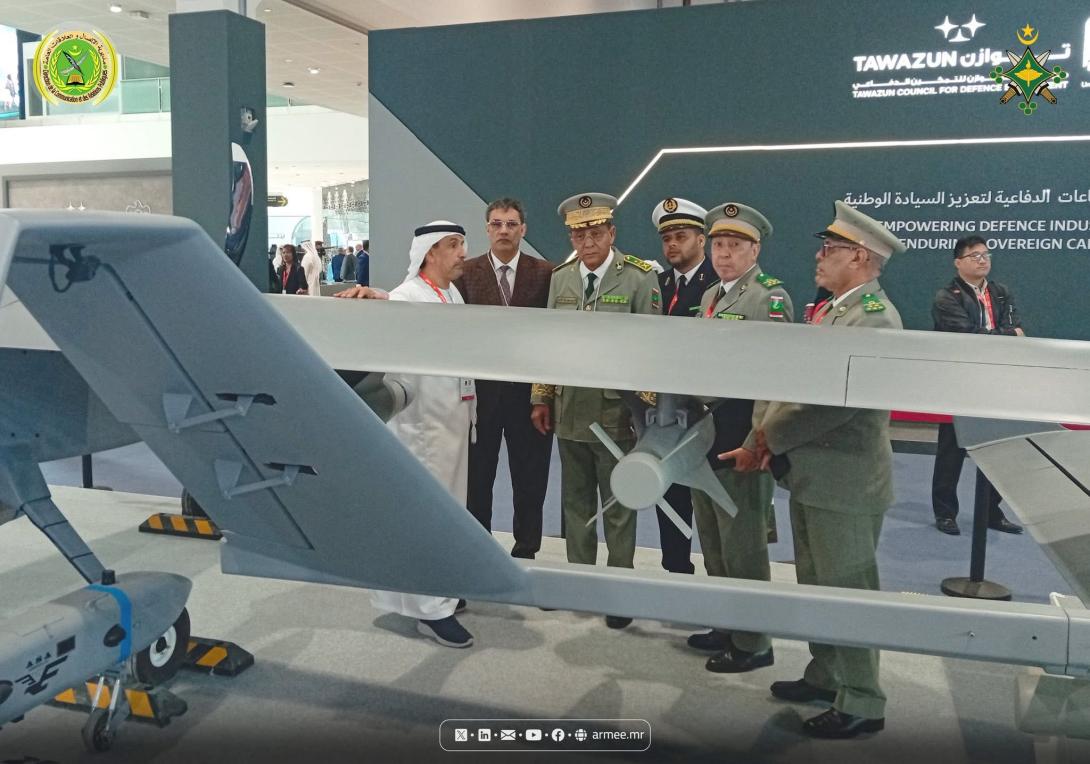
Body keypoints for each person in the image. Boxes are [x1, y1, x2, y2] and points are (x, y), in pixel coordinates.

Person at [726, 200, 903, 739]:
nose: (819, 257)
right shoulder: (833, 310)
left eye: (831, 249)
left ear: (861, 257)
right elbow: (790, 384)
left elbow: (834, 405)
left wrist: (768, 439)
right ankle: (828, 675)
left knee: (848, 589)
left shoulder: (873, 318)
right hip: (814, 475)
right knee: (818, 584)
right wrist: (761, 437)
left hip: (845, 481)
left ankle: (863, 699)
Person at [340, 221, 477, 648]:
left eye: (462, 244)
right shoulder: (407, 296)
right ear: (430, 252)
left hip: (453, 420)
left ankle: (442, 587)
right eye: (453, 245)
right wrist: (376, 298)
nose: (462, 253)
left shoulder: (451, 294)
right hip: (422, 427)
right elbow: (391, 311)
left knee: (449, 511)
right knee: (426, 515)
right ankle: (429, 608)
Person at [529, 192, 661, 629]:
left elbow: (651, 351)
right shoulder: (562, 278)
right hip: (570, 409)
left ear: (611, 233)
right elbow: (549, 343)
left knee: (619, 502)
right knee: (575, 501)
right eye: (578, 235)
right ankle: (580, 582)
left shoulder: (639, 278)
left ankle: (619, 590)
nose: (587, 242)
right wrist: (541, 397)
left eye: (596, 233)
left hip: (616, 413)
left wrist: (642, 412)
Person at [687, 202, 794, 673]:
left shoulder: (769, 298)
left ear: (755, 250)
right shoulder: (712, 294)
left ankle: (754, 642)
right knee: (713, 538)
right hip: (704, 435)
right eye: (718, 245)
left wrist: (758, 440)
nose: (724, 254)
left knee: (743, 544)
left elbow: (776, 378)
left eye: (735, 246)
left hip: (740, 436)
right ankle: (727, 623)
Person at [453, 198, 554, 560]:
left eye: (511, 224)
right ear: (487, 229)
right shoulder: (466, 273)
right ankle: (479, 551)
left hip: (529, 399)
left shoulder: (546, 273)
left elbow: (551, 337)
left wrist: (544, 396)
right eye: (497, 224)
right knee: (477, 480)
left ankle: (526, 551)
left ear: (523, 229)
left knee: (530, 480)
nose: (504, 231)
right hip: (481, 397)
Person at [930, 235, 1024, 535]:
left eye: (986, 254)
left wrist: (1003, 335)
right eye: (975, 255)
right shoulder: (947, 297)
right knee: (951, 449)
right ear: (958, 263)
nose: (983, 260)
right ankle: (945, 512)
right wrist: (1005, 336)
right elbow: (968, 336)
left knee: (998, 449)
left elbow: (1016, 328)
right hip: (961, 380)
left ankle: (991, 512)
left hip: (997, 379)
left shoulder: (1000, 292)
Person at [651, 197, 715, 575]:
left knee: (711, 506)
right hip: (665, 416)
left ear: (701, 240)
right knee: (670, 500)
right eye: (667, 238)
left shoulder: (718, 285)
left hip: (708, 416)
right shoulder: (658, 284)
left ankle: (721, 584)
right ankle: (675, 572)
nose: (672, 244)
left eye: (681, 236)